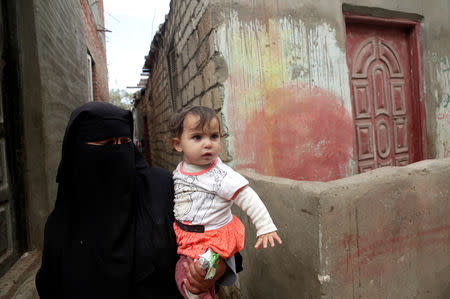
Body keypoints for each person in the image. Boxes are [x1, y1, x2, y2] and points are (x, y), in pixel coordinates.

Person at [35, 101, 233, 299]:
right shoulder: (62, 225)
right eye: (107, 144)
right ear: (79, 153)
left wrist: (214, 268)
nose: (119, 152)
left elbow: (220, 238)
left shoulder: (167, 189)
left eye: (125, 142)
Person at [169, 106, 283, 299]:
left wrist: (265, 226)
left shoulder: (221, 175)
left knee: (199, 276)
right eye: (197, 137)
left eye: (214, 136)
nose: (208, 144)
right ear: (178, 144)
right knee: (187, 275)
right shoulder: (182, 169)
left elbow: (247, 196)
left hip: (214, 243)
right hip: (190, 239)